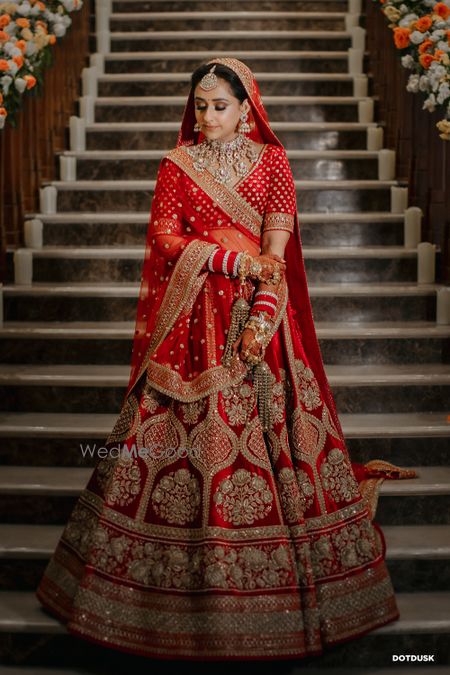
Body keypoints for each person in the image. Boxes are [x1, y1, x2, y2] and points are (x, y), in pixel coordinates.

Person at [35, 57, 416, 661]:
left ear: (246, 108)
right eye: (200, 104)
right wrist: (226, 261)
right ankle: (150, 599)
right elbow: (164, 239)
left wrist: (264, 312)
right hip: (191, 326)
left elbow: (277, 250)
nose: (206, 116)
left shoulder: (273, 163)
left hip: (259, 327)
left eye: (219, 106)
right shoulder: (176, 165)